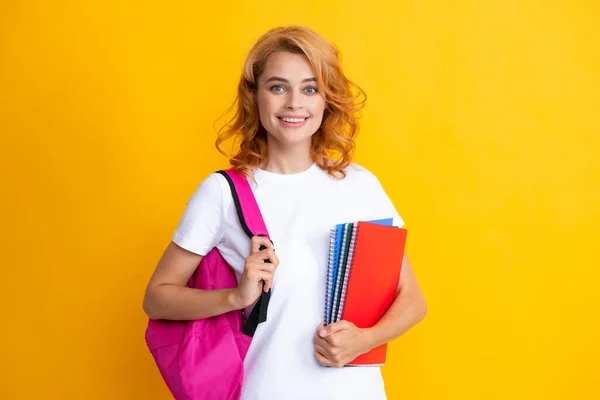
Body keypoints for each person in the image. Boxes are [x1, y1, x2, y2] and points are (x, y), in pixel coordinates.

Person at [143, 25, 427, 400]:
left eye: (310, 89)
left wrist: (365, 340)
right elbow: (157, 298)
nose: (294, 103)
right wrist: (235, 297)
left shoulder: (359, 186)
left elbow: (412, 300)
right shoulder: (224, 193)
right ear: (255, 97)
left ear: (326, 100)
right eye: (278, 87)